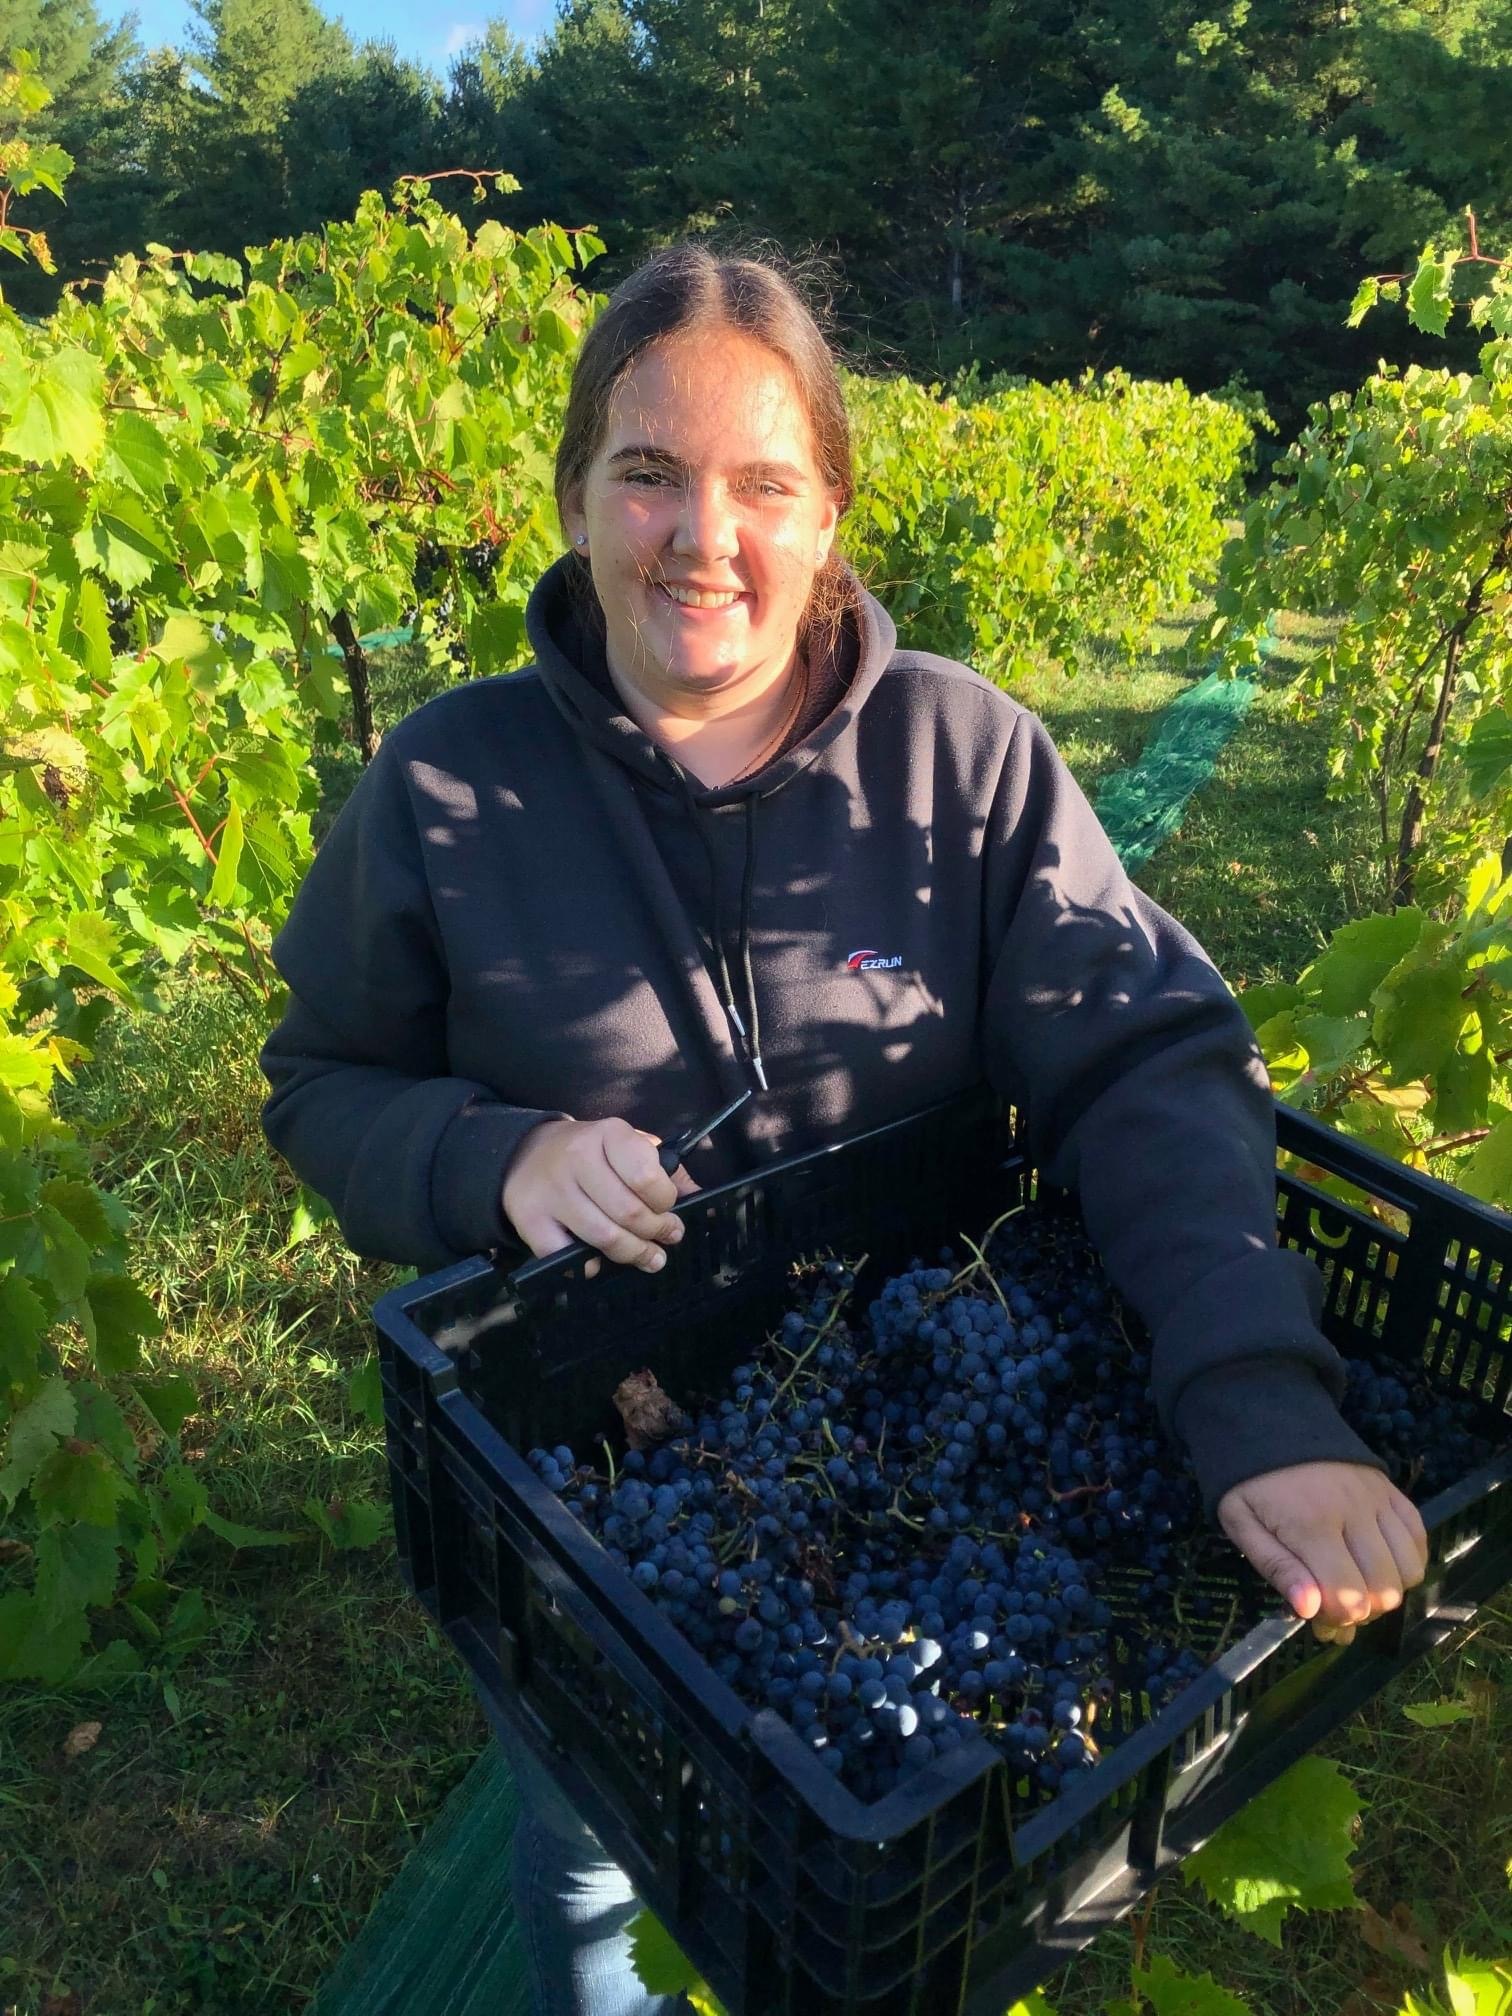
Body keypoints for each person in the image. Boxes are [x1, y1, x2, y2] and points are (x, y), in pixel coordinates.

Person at [259, 242, 1428, 2015]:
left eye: (764, 485)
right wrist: (485, 1153)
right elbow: (324, 1082)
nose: (700, 538)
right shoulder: (443, 785)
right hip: (602, 1493)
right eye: (647, 472)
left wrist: (1254, 1398)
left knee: (903, 1877)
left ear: (830, 515)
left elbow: (1145, 1062)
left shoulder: (966, 757)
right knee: (592, 1856)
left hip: (918, 1461)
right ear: (574, 494)